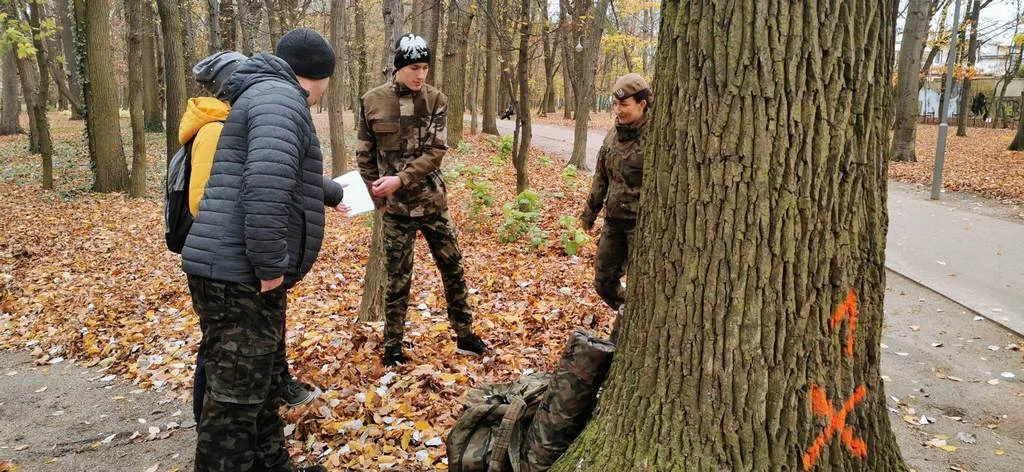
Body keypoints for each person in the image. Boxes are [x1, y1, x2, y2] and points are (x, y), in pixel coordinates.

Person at [179, 28, 342, 472]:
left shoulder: (265, 94)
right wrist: (271, 266)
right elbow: (265, 190)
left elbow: (272, 168)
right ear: (319, 75)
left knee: (263, 382)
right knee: (234, 401)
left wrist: (332, 193)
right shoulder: (282, 100)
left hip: (233, 267)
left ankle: (273, 466)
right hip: (241, 274)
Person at [356, 33, 487, 367]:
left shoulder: (436, 100)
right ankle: (393, 346)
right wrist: (378, 198)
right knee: (398, 279)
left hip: (432, 203)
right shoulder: (372, 101)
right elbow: (365, 154)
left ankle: (465, 334)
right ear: (399, 67)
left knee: (453, 269)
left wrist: (402, 178)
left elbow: (436, 151)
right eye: (414, 67)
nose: (420, 74)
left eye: (425, 67)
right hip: (395, 210)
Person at [579, 73, 652, 337]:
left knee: (643, 286)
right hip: (614, 221)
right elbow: (601, 176)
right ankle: (630, 314)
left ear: (642, 104)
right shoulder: (613, 134)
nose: (618, 110)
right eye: (616, 104)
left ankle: (631, 330)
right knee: (603, 282)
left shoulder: (656, 138)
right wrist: (589, 213)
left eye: (624, 105)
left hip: (641, 225)